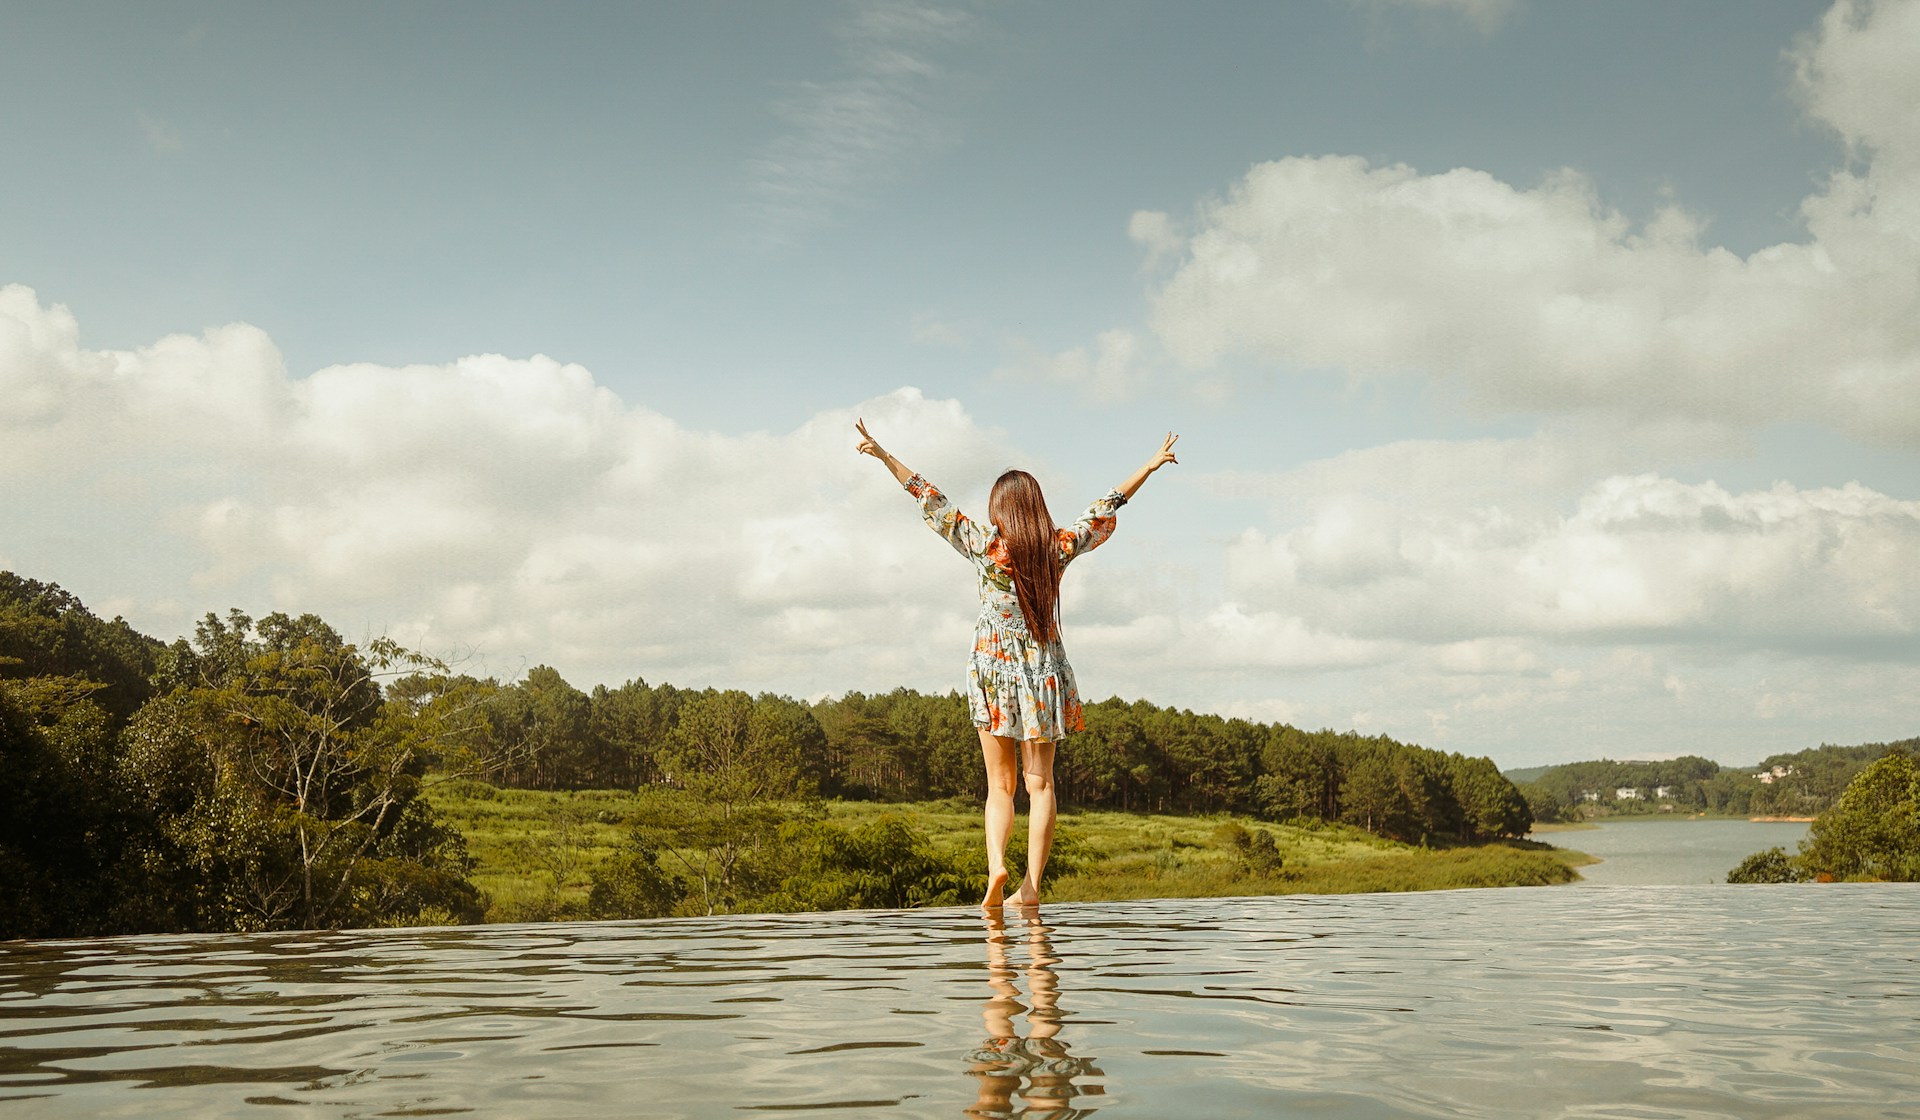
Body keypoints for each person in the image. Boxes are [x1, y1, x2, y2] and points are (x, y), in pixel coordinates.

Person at [854, 420, 1179, 908]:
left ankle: (996, 865)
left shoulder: (986, 547)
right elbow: (1105, 507)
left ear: (999, 509)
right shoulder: (1058, 548)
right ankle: (1031, 886)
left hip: (992, 672)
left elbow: (928, 496)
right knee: (1041, 783)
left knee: (999, 786)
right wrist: (1149, 467)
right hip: (1044, 674)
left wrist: (883, 456)